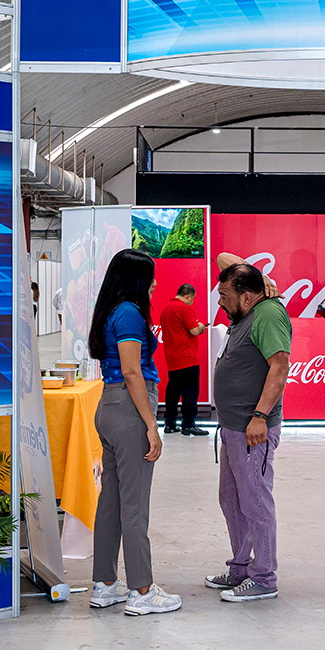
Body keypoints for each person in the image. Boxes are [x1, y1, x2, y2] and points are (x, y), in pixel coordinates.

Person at [86, 248, 181, 616]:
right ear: (137, 281)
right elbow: (131, 370)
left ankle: (105, 583)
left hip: (109, 407)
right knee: (135, 504)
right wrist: (151, 425)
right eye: (151, 277)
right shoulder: (129, 313)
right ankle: (142, 589)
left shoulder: (111, 310)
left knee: (110, 500)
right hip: (128, 408)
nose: (155, 284)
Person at [206, 262, 291, 602]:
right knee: (232, 499)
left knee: (255, 501)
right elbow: (227, 259)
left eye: (224, 297)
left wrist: (260, 416)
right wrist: (265, 278)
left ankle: (264, 577)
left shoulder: (268, 314)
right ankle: (240, 566)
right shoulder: (248, 310)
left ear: (245, 296)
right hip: (232, 428)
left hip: (252, 430)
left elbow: (280, 365)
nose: (220, 304)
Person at [159, 284, 208, 436]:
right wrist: (201, 327)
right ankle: (188, 424)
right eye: (192, 299)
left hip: (172, 358)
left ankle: (170, 423)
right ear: (188, 296)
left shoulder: (166, 309)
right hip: (187, 358)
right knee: (190, 393)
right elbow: (194, 330)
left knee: (172, 392)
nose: (192, 302)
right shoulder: (184, 309)